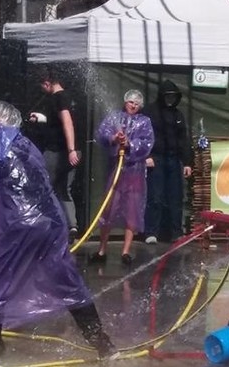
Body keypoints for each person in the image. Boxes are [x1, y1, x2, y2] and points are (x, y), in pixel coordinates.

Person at [0, 101, 116, 359]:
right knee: (67, 282)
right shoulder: (27, 145)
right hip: (50, 223)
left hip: (16, 226)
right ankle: (102, 344)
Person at [91, 89, 154, 265]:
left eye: (136, 103)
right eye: (130, 102)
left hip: (134, 172)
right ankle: (102, 250)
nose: (133, 105)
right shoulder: (115, 117)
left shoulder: (144, 122)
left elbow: (147, 142)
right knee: (109, 208)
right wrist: (114, 138)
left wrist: (130, 144)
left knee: (132, 210)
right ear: (125, 102)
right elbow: (102, 133)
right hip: (116, 171)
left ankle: (125, 251)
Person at [143, 79, 194, 244]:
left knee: (175, 197)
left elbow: (183, 139)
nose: (170, 100)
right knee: (155, 196)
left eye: (173, 97)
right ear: (161, 96)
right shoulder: (149, 112)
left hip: (173, 159)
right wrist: (146, 156)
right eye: (168, 96)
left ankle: (176, 232)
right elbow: (142, 135)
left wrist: (187, 162)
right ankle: (151, 232)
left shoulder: (178, 115)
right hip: (155, 159)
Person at [32, 68, 80, 240]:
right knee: (64, 189)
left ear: (47, 83)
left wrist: (70, 150)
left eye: (42, 86)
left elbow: (67, 122)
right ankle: (71, 225)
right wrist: (41, 118)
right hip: (71, 150)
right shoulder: (69, 97)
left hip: (57, 150)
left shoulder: (58, 98)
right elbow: (60, 121)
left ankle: (46, 225)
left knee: (46, 186)